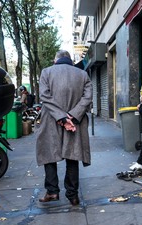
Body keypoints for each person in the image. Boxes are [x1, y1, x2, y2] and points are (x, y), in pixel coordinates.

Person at [35, 50, 92, 206]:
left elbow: (45, 96)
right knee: (72, 155)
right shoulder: (82, 75)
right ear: (70, 61)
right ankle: (72, 195)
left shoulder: (46, 72)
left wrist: (61, 116)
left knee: (49, 153)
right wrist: (72, 116)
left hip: (51, 119)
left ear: (55, 60)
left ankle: (52, 191)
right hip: (76, 121)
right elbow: (87, 98)